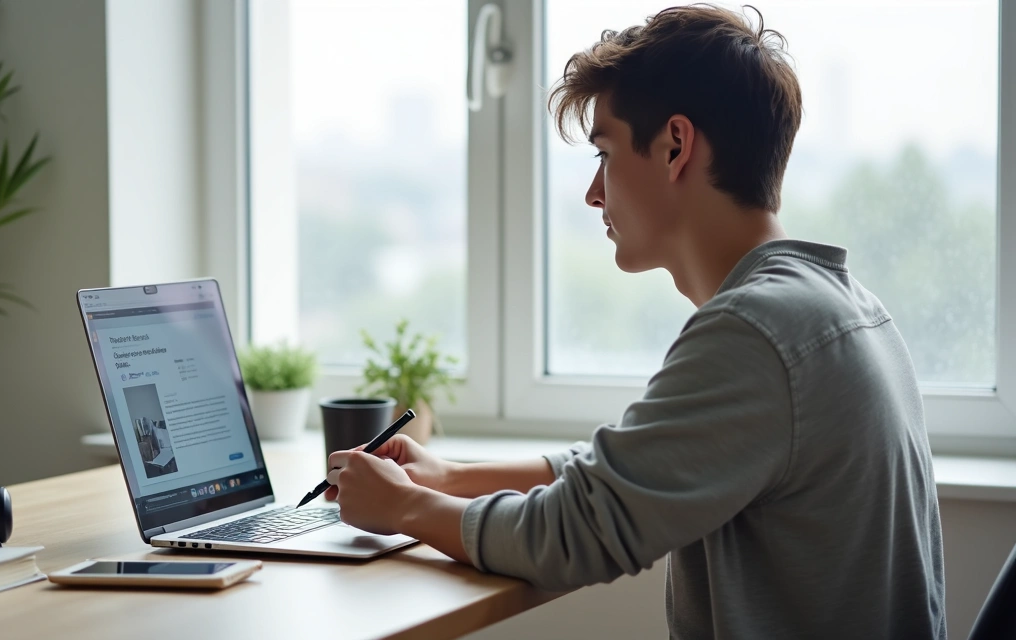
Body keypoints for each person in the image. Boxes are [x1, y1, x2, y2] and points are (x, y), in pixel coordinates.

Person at [323, 4, 946, 639]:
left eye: (605, 153)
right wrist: (450, 477)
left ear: (676, 145)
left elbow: (574, 533)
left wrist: (402, 506)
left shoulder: (757, 333)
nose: (595, 192)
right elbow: (638, 468)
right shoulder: (840, 308)